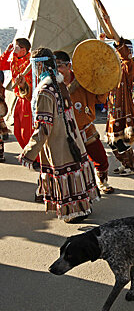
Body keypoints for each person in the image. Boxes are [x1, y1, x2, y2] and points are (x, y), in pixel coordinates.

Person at [18, 47, 99, 223]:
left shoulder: (45, 91)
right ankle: (83, 206)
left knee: (67, 173)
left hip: (59, 143)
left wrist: (28, 153)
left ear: (38, 67)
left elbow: (43, 128)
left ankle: (75, 211)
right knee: (75, 171)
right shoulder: (59, 84)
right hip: (72, 139)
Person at [53, 50, 114, 194]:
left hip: (85, 128)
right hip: (64, 131)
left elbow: (100, 98)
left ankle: (102, 182)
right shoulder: (52, 83)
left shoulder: (83, 80)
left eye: (60, 66)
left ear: (69, 66)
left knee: (101, 159)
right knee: (67, 164)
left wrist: (104, 82)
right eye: (54, 67)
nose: (57, 70)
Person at [106, 39, 134, 176]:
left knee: (120, 140)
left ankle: (132, 166)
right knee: (111, 141)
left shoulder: (129, 66)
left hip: (123, 108)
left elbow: (126, 60)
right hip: (113, 109)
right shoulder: (115, 67)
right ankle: (124, 163)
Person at [0, 38, 34, 156]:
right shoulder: (15, 60)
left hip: (28, 99)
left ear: (23, 49)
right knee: (17, 131)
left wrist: (13, 54)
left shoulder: (30, 62)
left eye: (17, 47)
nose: (15, 49)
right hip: (19, 99)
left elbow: (21, 71)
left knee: (27, 132)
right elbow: (1, 64)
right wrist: (8, 52)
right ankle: (28, 153)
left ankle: (35, 157)